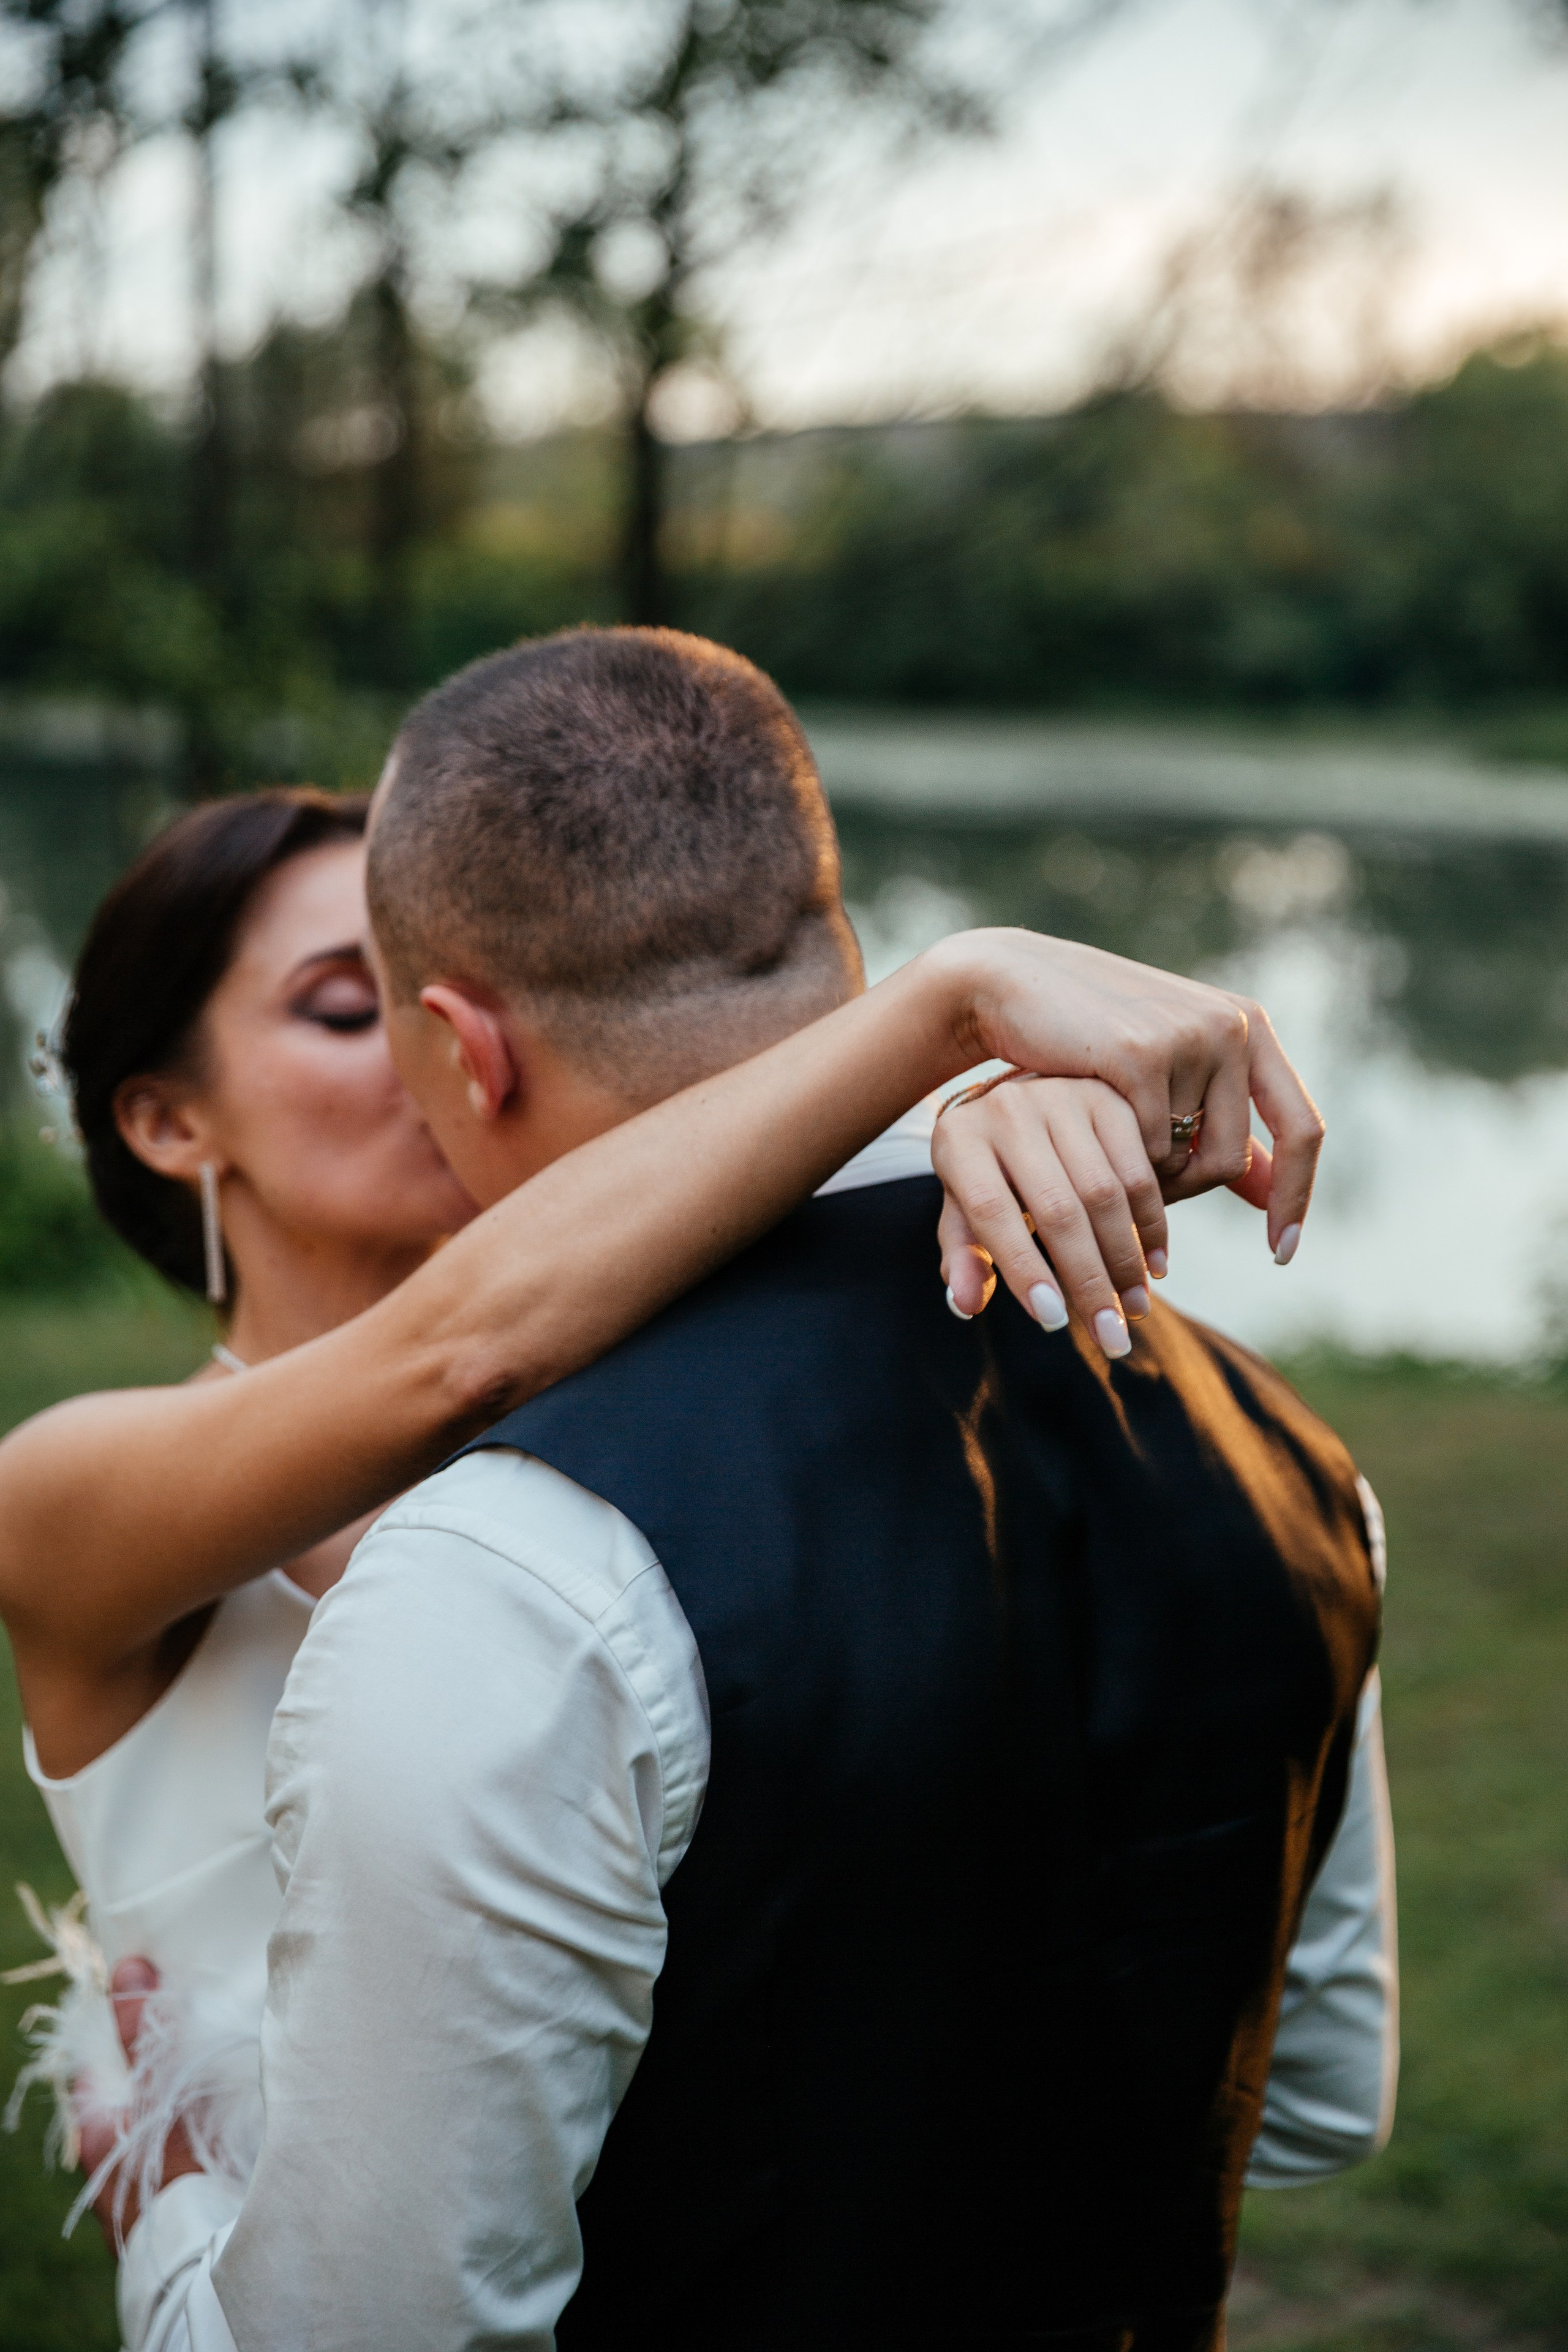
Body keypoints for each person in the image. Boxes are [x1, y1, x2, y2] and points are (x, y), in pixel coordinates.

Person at [115, 627, 1392, 2352]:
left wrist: (168, 2194)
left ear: (463, 1053)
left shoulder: (518, 1581)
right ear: (833, 942)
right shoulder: (1296, 1465)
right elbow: (1306, 2103)